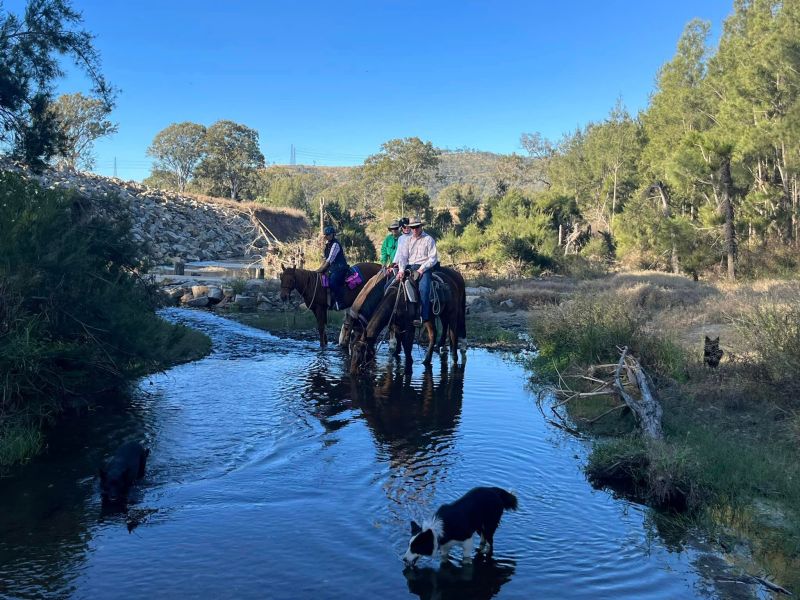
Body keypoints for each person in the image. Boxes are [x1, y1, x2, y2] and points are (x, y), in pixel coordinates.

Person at [394, 215, 439, 324]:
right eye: (412, 227)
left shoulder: (428, 239)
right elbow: (403, 257)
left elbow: (433, 258)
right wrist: (401, 270)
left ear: (421, 227)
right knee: (390, 285)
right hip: (409, 267)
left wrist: (422, 269)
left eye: (416, 227)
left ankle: (423, 316)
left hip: (424, 267)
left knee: (424, 288)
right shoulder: (407, 240)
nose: (414, 229)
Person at [316, 225, 349, 310]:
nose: (326, 236)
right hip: (332, 268)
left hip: (340, 267)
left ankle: (340, 301)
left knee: (332, 282)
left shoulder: (335, 244)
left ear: (332, 235)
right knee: (323, 281)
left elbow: (330, 259)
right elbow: (325, 259)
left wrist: (322, 269)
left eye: (328, 234)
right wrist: (319, 269)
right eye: (326, 235)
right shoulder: (327, 245)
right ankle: (328, 302)